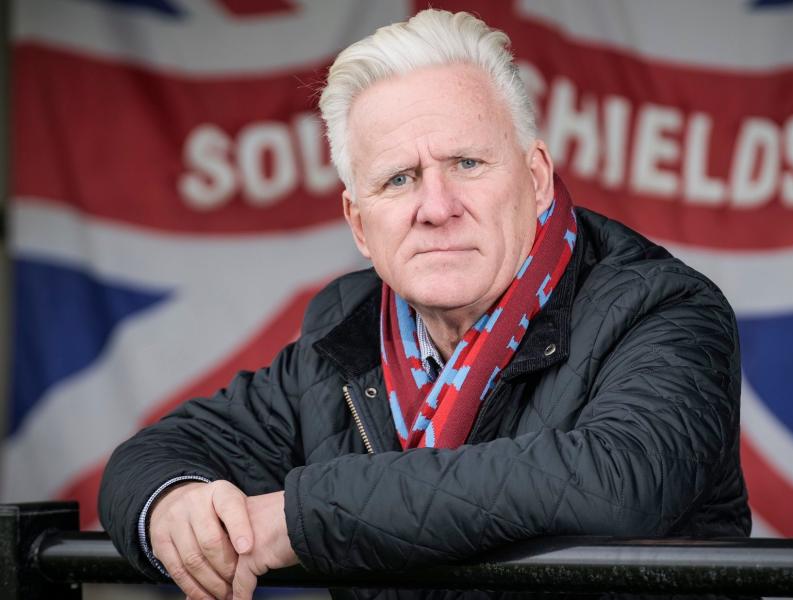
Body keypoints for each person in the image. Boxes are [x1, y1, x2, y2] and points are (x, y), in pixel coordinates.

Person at [99, 9, 750, 600]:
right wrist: (173, 504)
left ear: (536, 177)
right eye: (398, 179)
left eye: (466, 163)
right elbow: (148, 459)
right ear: (359, 223)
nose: (436, 208)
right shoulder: (344, 333)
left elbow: (612, 484)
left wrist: (301, 519)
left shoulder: (665, 308)